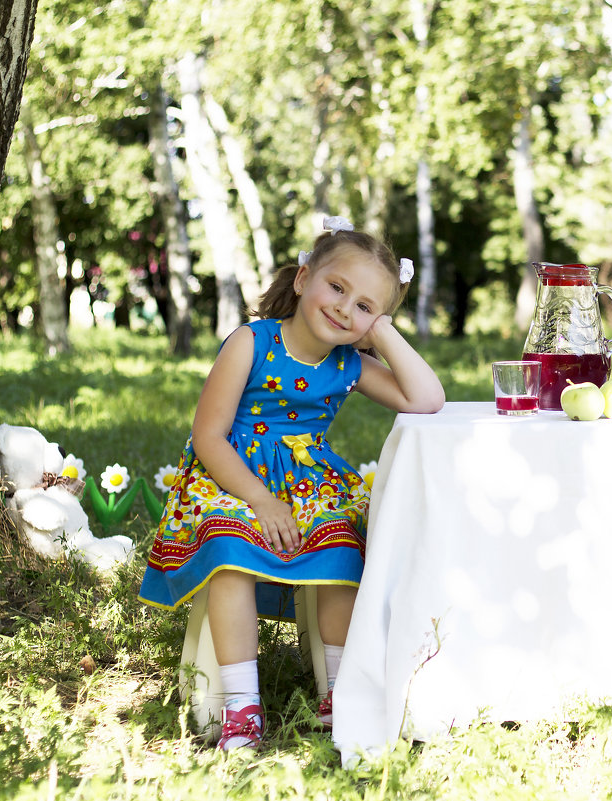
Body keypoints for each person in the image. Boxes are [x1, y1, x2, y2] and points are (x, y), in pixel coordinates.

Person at [138, 216, 445, 751]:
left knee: (343, 547)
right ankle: (240, 708)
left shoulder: (349, 362)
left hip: (309, 481)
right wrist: (261, 500)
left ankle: (339, 695)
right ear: (303, 278)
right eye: (337, 287)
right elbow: (208, 436)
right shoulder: (251, 342)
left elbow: (426, 398)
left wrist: (383, 332)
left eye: (365, 307)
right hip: (233, 475)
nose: (345, 309)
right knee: (230, 549)